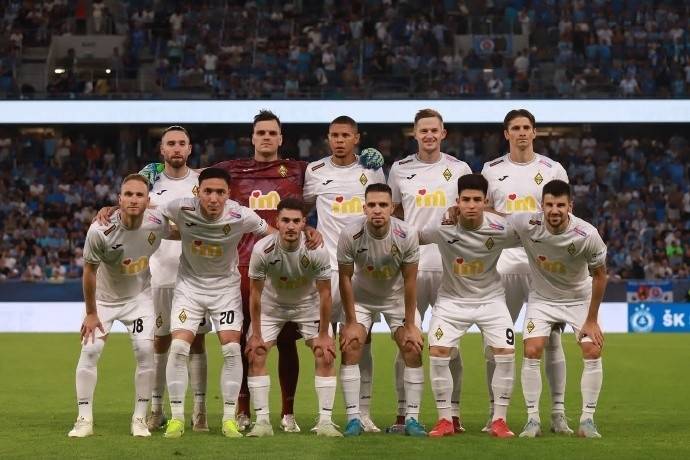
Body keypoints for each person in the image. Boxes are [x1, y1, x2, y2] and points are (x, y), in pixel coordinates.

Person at [161, 168, 274, 439]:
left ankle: (228, 420)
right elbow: (147, 213)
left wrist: (304, 236)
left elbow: (272, 234)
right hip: (189, 288)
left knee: (232, 350)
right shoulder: (180, 207)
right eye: (208, 191)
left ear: (228, 194)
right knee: (178, 347)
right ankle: (176, 418)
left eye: (220, 192)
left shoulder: (241, 214)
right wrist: (111, 209)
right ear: (197, 192)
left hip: (225, 290)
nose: (213, 198)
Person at [481, 109, 571, 433]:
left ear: (534, 132)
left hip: (541, 264)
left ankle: (558, 414)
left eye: (526, 127)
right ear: (506, 134)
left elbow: (562, 215)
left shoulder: (552, 169)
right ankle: (495, 413)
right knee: (494, 342)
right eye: (515, 128)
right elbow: (483, 211)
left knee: (552, 340)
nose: (521, 132)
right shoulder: (491, 169)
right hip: (502, 262)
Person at [387, 108, 471, 433]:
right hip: (409, 266)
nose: (429, 135)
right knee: (407, 341)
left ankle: (453, 414)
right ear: (415, 134)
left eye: (434, 130)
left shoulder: (459, 169)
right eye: (423, 130)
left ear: (443, 133)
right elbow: (393, 213)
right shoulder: (399, 169)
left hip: (449, 266)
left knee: (450, 346)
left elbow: (472, 209)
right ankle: (403, 413)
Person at [68, 174, 172, 438]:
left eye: (139, 195)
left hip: (139, 299)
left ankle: (139, 419)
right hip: (104, 301)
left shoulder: (157, 222)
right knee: (90, 351)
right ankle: (84, 420)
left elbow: (183, 231)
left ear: (148, 201)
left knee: (145, 352)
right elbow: (89, 272)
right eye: (128, 194)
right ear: (119, 199)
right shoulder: (100, 230)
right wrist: (91, 313)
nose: (133, 199)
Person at [303, 115, 386, 432]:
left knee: (360, 341)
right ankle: (324, 416)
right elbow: (301, 208)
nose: (339, 140)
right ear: (328, 138)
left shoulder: (372, 168)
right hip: (327, 268)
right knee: (323, 342)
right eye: (334, 135)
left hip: (363, 268)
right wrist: (308, 229)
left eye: (345, 135)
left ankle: (362, 414)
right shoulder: (315, 170)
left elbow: (383, 207)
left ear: (356, 138)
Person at [419, 174, 518, 438]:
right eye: (466, 200)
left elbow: (532, 234)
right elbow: (413, 238)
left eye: (477, 200)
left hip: (491, 300)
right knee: (438, 352)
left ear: (485, 202)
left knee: (505, 352)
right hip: (451, 301)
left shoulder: (501, 228)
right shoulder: (443, 227)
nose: (471, 205)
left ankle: (499, 420)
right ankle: (445, 420)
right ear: (457, 201)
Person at [510, 179, 607, 439]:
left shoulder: (587, 234)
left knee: (592, 348)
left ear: (570, 206)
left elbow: (600, 276)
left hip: (578, 298)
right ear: (541, 205)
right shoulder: (526, 223)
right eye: (550, 205)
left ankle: (587, 420)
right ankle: (532, 420)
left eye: (560, 205)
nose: (554, 210)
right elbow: (497, 219)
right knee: (532, 349)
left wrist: (592, 320)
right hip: (542, 299)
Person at [245, 198, 340, 437]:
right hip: (272, 306)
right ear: (276, 222)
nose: (290, 226)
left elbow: (325, 294)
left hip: (307, 305)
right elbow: (255, 294)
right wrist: (256, 335)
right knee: (256, 353)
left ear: (303, 223)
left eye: (296, 221)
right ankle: (262, 422)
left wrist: (324, 334)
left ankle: (325, 422)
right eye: (285, 220)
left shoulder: (316, 249)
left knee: (325, 353)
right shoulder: (262, 249)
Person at [337, 183, 425, 437]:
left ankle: (412, 419)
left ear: (392, 208)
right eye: (372, 205)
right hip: (362, 299)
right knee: (351, 344)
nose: (377, 210)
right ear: (364, 208)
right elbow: (345, 278)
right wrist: (351, 322)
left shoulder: (406, 234)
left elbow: (410, 280)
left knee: (412, 346)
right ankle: (354, 418)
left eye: (383, 205)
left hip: (395, 298)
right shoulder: (350, 234)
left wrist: (410, 325)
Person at [147, 126, 210, 432]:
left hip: (195, 276)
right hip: (159, 275)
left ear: (189, 149)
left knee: (197, 342)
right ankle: (156, 409)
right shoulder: (149, 182)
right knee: (160, 342)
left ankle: (199, 411)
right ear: (162, 150)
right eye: (170, 143)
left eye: (181, 143)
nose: (176, 148)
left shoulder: (202, 182)